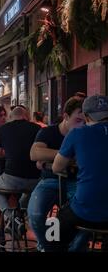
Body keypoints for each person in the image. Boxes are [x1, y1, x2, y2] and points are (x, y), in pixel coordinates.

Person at [28, 96, 88, 252]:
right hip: (50, 180)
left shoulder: (86, 134)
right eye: (78, 120)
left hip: (77, 181)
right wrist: (68, 155)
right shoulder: (48, 132)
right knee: (35, 213)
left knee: (87, 218)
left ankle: (69, 248)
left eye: (85, 121)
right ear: (66, 116)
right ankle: (49, 247)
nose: (82, 125)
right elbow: (35, 153)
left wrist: (50, 156)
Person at [51, 95, 108, 251]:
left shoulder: (77, 134)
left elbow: (56, 167)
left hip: (85, 210)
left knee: (54, 222)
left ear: (86, 116)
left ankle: (49, 247)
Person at [0, 107, 41, 235]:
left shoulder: (3, 129)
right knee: (28, 194)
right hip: (35, 179)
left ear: (11, 117)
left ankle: (12, 217)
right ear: (26, 116)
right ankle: (21, 214)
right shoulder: (37, 128)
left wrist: (9, 152)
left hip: (12, 178)